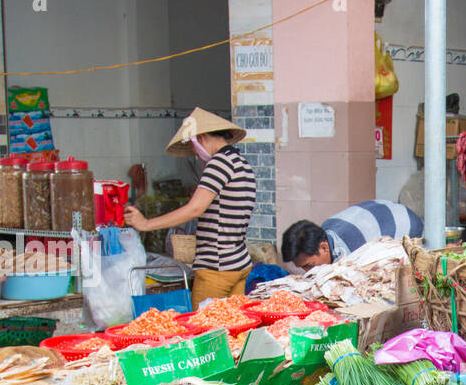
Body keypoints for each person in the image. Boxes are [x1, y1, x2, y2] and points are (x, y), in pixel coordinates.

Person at [124, 108, 255, 308]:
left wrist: (146, 224)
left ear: (200, 138)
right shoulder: (241, 163)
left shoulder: (218, 163)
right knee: (234, 329)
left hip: (216, 268)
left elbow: (195, 209)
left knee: (205, 332)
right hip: (239, 263)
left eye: (193, 147)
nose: (195, 154)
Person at [280, 200, 423, 271]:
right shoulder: (324, 232)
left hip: (407, 224)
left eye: (309, 266)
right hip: (383, 214)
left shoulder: (349, 252)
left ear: (324, 247)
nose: (307, 272)